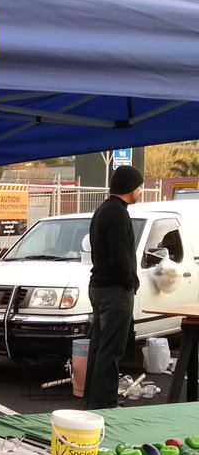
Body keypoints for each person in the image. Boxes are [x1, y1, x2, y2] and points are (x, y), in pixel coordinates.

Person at [84, 165, 144, 409]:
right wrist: (130, 281)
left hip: (98, 287)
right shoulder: (118, 214)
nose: (141, 190)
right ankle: (105, 404)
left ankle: (93, 398)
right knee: (110, 350)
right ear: (131, 187)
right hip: (114, 291)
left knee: (99, 346)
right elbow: (121, 256)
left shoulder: (102, 210)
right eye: (140, 185)